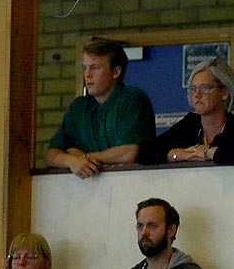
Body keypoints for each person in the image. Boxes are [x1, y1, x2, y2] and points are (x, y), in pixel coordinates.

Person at [43, 38, 154, 176]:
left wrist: (83, 158)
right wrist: (70, 160)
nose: (87, 75)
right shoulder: (79, 107)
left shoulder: (133, 99)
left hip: (129, 184)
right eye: (85, 67)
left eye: (94, 68)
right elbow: (50, 154)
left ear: (116, 72)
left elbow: (128, 153)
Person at [138, 57, 234, 165]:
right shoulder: (189, 124)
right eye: (193, 89)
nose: (197, 94)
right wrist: (179, 154)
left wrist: (206, 152)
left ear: (224, 93)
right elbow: (145, 154)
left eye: (204, 88)